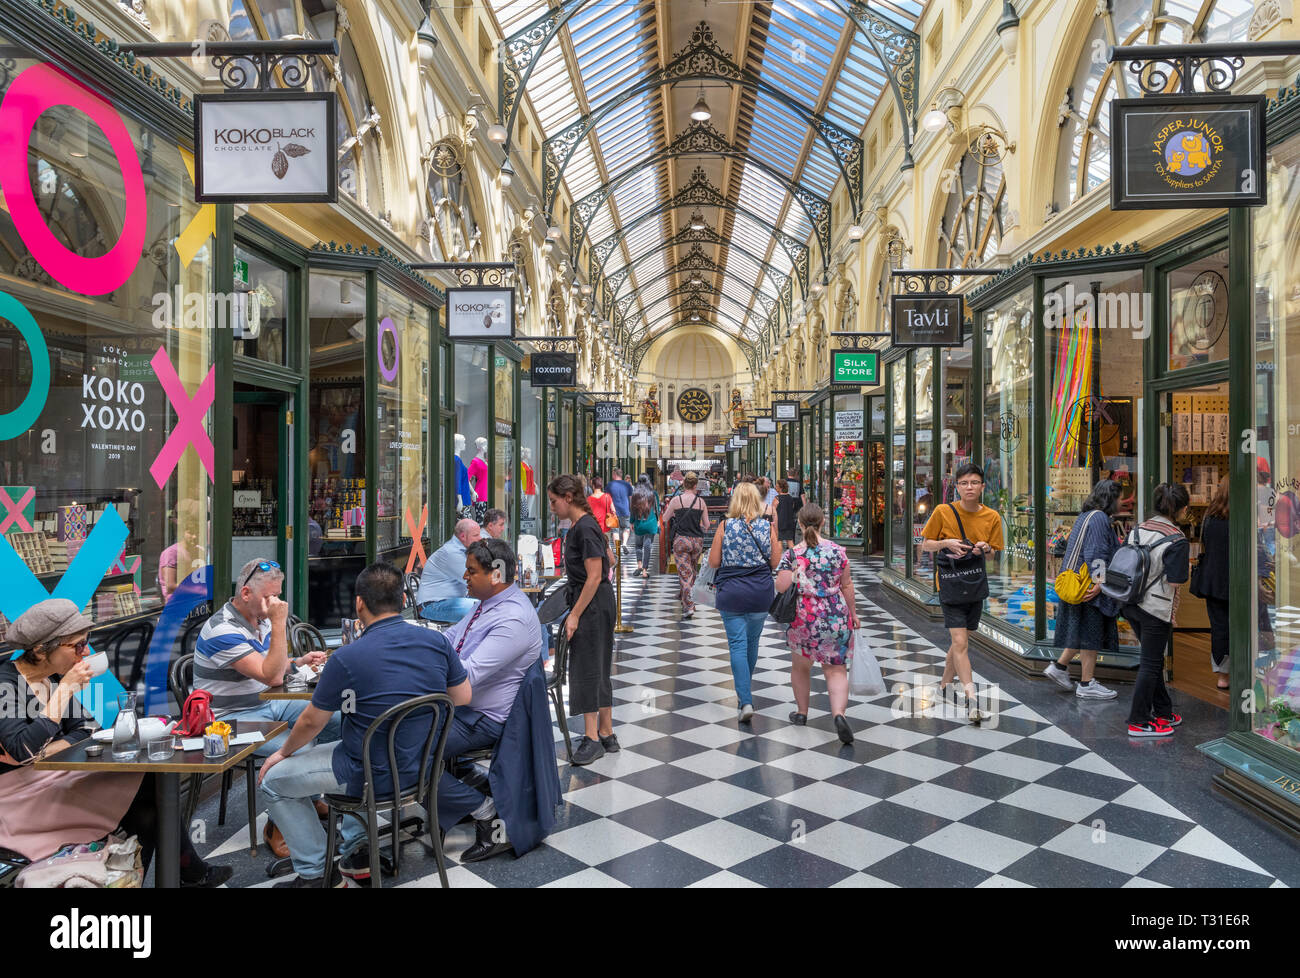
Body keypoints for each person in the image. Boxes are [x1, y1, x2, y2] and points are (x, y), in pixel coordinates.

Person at [257, 562, 472, 887]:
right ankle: (357, 850)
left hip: (367, 776)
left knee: (272, 781)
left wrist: (282, 753)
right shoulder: (437, 642)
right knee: (345, 736)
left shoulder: (347, 657)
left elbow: (311, 721)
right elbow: (463, 696)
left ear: (359, 603)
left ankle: (316, 875)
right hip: (424, 770)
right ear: (403, 599)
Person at [0, 598, 230, 885]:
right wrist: (66, 690)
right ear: (40, 649)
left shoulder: (51, 679)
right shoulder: (6, 684)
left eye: (86, 643)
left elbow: (85, 729)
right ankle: (187, 873)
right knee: (146, 794)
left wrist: (46, 747)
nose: (84, 653)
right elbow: (23, 749)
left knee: (147, 790)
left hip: (52, 777)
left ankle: (159, 875)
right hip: (18, 801)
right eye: (77, 646)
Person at [437, 538, 543, 863]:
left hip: (481, 719)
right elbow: (450, 638)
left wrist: (423, 667)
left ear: (495, 574)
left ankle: (486, 810)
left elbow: (466, 675)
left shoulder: (512, 620)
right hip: (463, 708)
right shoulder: (486, 604)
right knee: (399, 740)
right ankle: (468, 782)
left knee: (405, 751)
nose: (465, 577)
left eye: (471, 571)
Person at [194, 558, 335, 757]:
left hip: (269, 703)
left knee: (339, 718)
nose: (277, 603)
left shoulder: (261, 619)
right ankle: (288, 784)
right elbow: (272, 678)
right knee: (301, 748)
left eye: (278, 595)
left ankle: (330, 783)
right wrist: (279, 621)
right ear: (245, 593)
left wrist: (298, 663)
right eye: (270, 596)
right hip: (230, 719)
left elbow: (269, 666)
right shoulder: (222, 629)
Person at [919, 463, 1004, 723]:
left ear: (982, 486)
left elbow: (994, 554)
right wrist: (947, 543)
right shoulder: (944, 511)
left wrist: (984, 548)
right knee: (960, 643)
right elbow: (925, 544)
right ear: (956, 486)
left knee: (960, 642)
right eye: (965, 483)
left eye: (974, 482)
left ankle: (944, 686)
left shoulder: (992, 517)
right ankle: (972, 700)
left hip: (975, 584)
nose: (970, 487)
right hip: (950, 584)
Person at [548, 475, 618, 765]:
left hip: (591, 604)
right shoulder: (588, 524)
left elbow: (594, 574)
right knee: (598, 664)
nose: (552, 507)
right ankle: (606, 732)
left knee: (587, 666)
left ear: (567, 497)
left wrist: (574, 613)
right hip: (598, 601)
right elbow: (610, 560)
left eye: (554, 501)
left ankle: (592, 738)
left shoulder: (584, 528)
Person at [775, 503, 859, 744]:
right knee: (835, 668)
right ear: (823, 522)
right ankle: (839, 714)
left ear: (800, 525)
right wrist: (853, 614)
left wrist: (794, 573)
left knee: (801, 666)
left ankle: (802, 713)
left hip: (804, 615)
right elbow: (847, 585)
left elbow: (780, 587)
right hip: (835, 613)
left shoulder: (793, 554)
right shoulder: (837, 551)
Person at [1122, 483, 1190, 737]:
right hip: (1155, 608)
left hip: (1130, 602)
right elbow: (1175, 580)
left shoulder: (1139, 529)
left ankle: (1163, 711)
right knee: (1151, 663)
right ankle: (1138, 721)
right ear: (1182, 509)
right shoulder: (1177, 540)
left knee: (1153, 659)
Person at [1044, 479, 1122, 700]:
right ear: (1110, 499)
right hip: (1087, 584)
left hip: (1075, 581)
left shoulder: (1085, 516)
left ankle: (1059, 667)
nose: (1121, 502)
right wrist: (1100, 582)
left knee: (1083, 631)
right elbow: (1096, 552)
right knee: (1091, 633)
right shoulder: (1099, 519)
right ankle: (1087, 683)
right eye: (1118, 498)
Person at [708, 482, 780, 723]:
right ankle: (744, 694)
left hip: (732, 593)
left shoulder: (725, 525)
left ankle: (745, 700)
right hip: (761, 593)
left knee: (737, 644)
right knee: (752, 642)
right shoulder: (766, 526)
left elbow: (714, 561)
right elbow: (775, 562)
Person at [662, 472, 711, 620]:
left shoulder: (677, 500)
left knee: (685, 574)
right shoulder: (701, 502)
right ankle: (687, 600)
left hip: (681, 541)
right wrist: (699, 526)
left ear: (683, 484)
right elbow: (707, 525)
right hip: (697, 542)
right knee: (692, 572)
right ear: (696, 485)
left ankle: (689, 606)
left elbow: (664, 519)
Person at [1198, 479, 1230, 690]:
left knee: (1219, 628)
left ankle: (1222, 675)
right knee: (1246, 625)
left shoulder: (1209, 516)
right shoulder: (1244, 517)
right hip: (1237, 580)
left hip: (1213, 581)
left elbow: (1204, 546)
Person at [417, 518, 482, 622]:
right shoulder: (451, 553)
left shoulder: (463, 550)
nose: (480, 538)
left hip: (449, 601)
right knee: (482, 609)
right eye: (476, 535)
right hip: (432, 605)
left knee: (488, 606)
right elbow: (475, 581)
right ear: (463, 536)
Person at [630, 476, 660, 578]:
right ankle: (644, 571)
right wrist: (658, 520)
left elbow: (632, 510)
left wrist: (631, 522)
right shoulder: (653, 493)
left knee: (638, 545)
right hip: (650, 523)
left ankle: (639, 565)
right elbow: (657, 509)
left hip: (639, 523)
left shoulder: (635, 495)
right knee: (647, 546)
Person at [607, 468, 634, 553]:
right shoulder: (627, 485)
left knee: (615, 530)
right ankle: (625, 544)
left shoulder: (610, 485)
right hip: (625, 510)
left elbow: (607, 498)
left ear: (614, 474)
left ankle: (618, 549)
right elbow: (631, 498)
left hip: (614, 511)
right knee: (626, 528)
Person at [586, 476, 616, 542]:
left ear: (593, 486)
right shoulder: (607, 496)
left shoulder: (588, 499)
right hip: (605, 526)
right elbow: (613, 510)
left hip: (593, 527)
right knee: (606, 545)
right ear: (601, 485)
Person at [774, 479, 800, 552]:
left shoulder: (777, 498)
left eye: (777, 486)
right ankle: (793, 558)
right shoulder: (790, 498)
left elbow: (773, 511)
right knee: (790, 541)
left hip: (780, 523)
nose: (775, 487)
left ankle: (779, 559)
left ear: (780, 488)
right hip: (789, 522)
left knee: (779, 540)